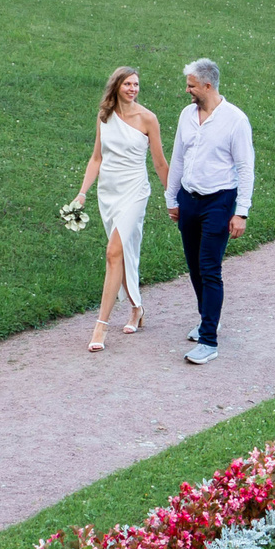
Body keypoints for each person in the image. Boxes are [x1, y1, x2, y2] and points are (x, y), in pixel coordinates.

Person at [69, 66, 169, 353]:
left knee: (113, 252)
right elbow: (96, 158)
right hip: (108, 192)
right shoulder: (105, 117)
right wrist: (82, 193)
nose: (133, 89)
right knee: (122, 253)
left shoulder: (148, 118)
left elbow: (160, 163)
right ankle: (137, 308)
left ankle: (101, 325)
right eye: (127, 84)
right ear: (116, 86)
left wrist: (173, 197)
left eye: (136, 84)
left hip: (135, 191)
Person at [164, 57, 253, 365]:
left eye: (191, 85)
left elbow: (245, 168)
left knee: (209, 267)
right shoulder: (187, 116)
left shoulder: (235, 120)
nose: (187, 90)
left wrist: (241, 212)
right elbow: (178, 158)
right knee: (193, 266)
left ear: (207, 85)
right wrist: (171, 197)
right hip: (189, 199)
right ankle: (208, 318)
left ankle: (208, 342)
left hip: (219, 201)